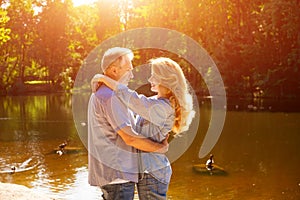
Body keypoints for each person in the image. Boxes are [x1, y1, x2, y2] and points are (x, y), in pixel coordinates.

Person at [92, 57, 195, 199]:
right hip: (147, 170)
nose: (150, 79)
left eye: (154, 76)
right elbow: (130, 115)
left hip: (152, 172)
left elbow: (133, 100)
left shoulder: (162, 108)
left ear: (165, 80)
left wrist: (104, 79)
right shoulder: (155, 102)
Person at [87, 47, 168, 200]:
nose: (132, 74)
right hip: (118, 174)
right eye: (128, 69)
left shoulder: (102, 93)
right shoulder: (110, 97)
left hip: (111, 173)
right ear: (114, 70)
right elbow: (130, 138)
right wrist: (159, 148)